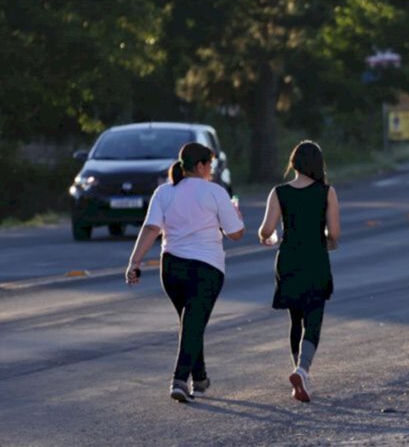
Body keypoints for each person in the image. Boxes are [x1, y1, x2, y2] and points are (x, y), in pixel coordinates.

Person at [125, 142, 244, 403]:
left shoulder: (164, 192)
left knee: (191, 322)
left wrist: (134, 262)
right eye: (210, 165)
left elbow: (150, 229)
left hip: (171, 269)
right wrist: (235, 213)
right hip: (206, 268)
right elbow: (235, 234)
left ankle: (199, 378)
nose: (211, 170)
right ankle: (180, 380)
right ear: (200, 166)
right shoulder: (215, 192)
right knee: (193, 322)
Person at [258, 140, 341, 403]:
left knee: (296, 320)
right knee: (313, 320)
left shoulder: (279, 192)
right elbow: (335, 234)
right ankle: (302, 370)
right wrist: (326, 240)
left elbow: (266, 230)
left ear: (293, 163)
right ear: (318, 164)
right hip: (316, 259)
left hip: (288, 260)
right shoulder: (327, 192)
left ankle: (299, 377)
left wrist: (268, 238)